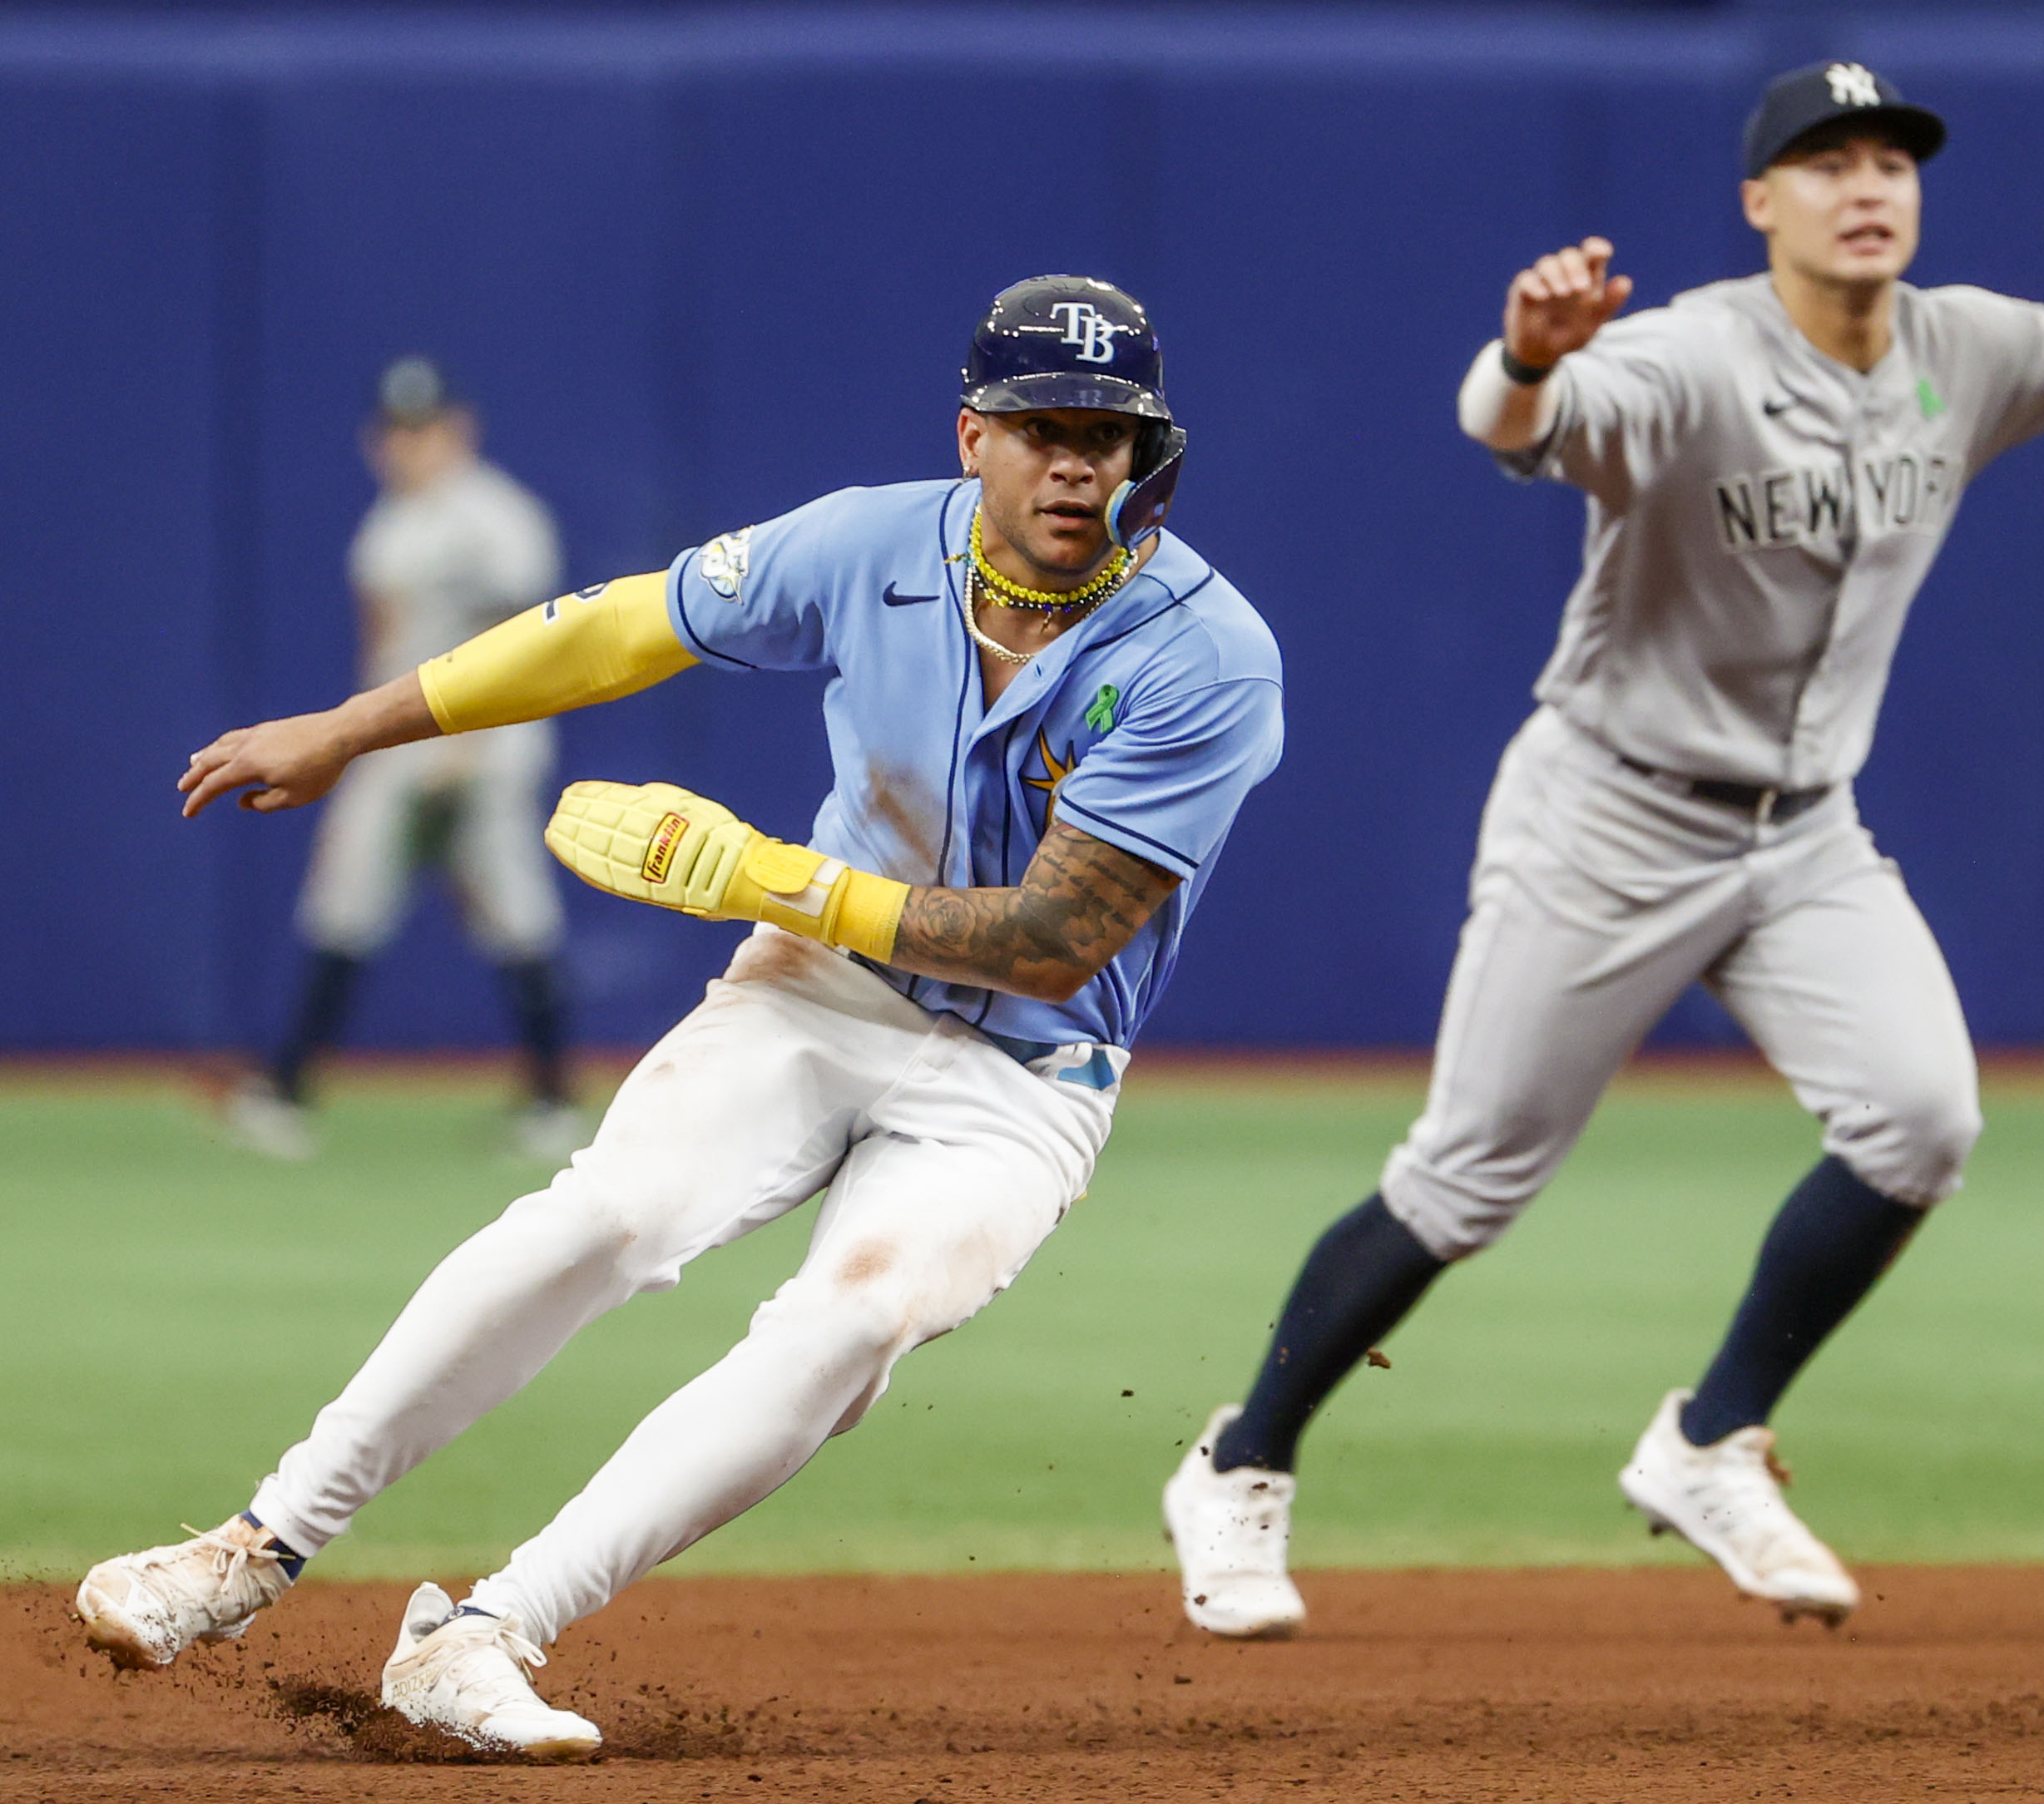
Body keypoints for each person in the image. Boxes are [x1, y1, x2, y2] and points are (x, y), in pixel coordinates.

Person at [1161, 56, 2044, 1640]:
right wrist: (1525, 358)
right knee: (1465, 1178)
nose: (1867, 186)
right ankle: (1239, 1463)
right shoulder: (1685, 356)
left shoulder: (1966, 347)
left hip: (1803, 837)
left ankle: (1709, 1437)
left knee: (1921, 1118)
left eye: (1891, 161)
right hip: (1607, 812)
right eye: (1826, 159)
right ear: (1758, 202)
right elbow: (1516, 426)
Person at [78, 277, 1283, 1758]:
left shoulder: (1204, 653)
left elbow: (1052, 940)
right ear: (973, 434)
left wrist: (778, 877)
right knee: (606, 1215)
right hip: (816, 996)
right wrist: (351, 725)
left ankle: (484, 1633)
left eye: (1108, 430)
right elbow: (614, 632)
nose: (1076, 459)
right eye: (1042, 425)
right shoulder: (866, 542)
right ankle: (247, 1554)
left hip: (1023, 1069)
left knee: (850, 1324)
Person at [222, 356, 580, 1163]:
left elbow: (531, 640)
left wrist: (475, 747)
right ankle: (283, 1093)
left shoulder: (498, 516)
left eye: (423, 427)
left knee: (517, 914)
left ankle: (554, 1101)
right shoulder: (390, 523)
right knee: (343, 902)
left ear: (459, 428)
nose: (409, 443)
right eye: (396, 429)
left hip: (484, 750)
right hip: (395, 749)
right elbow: (381, 648)